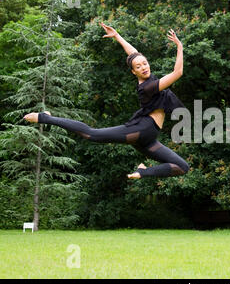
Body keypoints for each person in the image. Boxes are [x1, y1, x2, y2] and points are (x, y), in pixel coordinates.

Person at [23, 22, 189, 179]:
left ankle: (143, 172)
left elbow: (133, 53)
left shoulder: (149, 77)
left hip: (148, 139)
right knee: (92, 134)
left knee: (182, 167)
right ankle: (44, 118)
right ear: (133, 72)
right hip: (143, 130)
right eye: (138, 67)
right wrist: (179, 46)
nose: (143, 67)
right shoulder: (148, 87)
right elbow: (178, 72)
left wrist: (117, 35)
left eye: (144, 63)